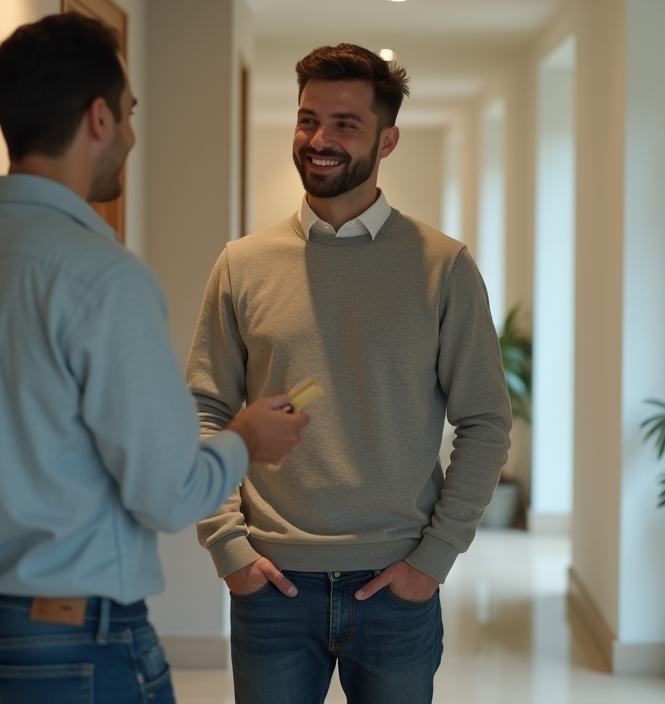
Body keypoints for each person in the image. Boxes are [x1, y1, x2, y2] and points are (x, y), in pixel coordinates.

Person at [0, 12, 308, 704]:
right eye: (131, 112)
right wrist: (244, 439)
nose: (134, 136)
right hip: (71, 648)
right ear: (98, 118)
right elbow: (166, 491)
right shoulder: (102, 278)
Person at [189, 43, 513, 703]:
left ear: (386, 140)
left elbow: (484, 419)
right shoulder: (241, 265)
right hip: (273, 584)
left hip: (395, 587)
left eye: (345, 124)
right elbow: (204, 412)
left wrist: (434, 559)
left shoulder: (441, 267)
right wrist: (229, 547)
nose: (319, 139)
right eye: (309, 120)